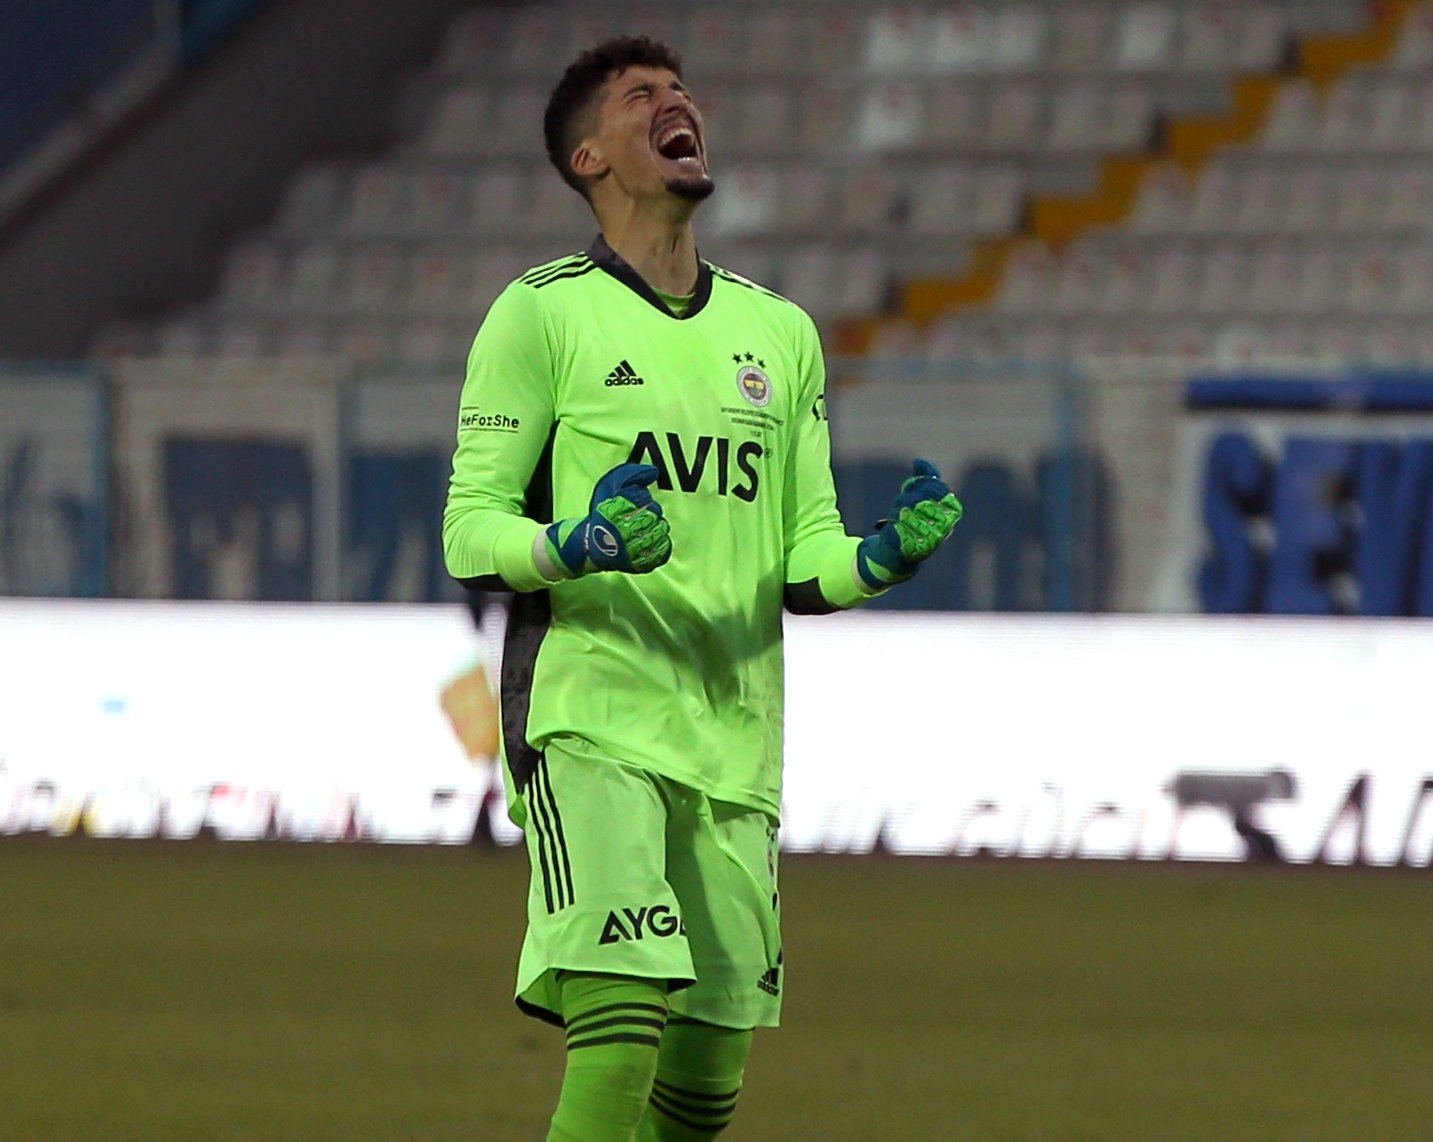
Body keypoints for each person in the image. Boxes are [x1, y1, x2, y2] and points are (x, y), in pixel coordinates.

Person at [442, 35, 963, 1142]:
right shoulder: (542, 313)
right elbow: (469, 528)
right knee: (619, 1031)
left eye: (679, 92)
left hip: (734, 738)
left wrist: (878, 558)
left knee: (705, 1084)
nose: (674, 104)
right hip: (593, 715)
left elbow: (802, 555)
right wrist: (574, 541)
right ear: (589, 157)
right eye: (640, 97)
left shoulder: (778, 333)